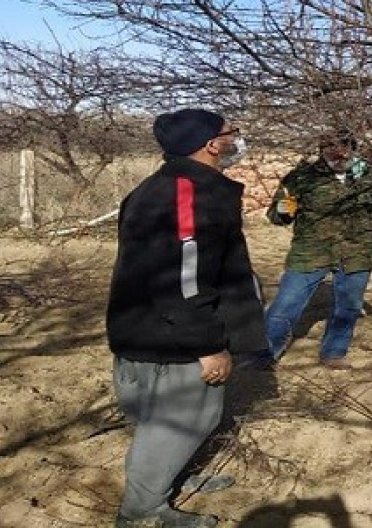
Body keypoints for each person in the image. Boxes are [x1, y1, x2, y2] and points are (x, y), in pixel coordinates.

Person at [107, 108, 267, 528]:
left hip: (143, 330)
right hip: (174, 340)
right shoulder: (187, 195)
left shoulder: (158, 187)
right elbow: (184, 280)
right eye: (233, 132)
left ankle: (162, 478)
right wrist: (209, 345)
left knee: (156, 420)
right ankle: (142, 512)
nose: (237, 139)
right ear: (213, 144)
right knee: (179, 422)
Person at [262, 132, 372, 370]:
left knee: (349, 307)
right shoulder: (301, 177)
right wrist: (284, 210)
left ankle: (334, 353)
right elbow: (276, 217)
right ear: (321, 150)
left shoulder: (366, 177)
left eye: (343, 148)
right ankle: (266, 352)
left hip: (357, 252)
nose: (337, 154)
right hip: (311, 251)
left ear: (352, 149)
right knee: (285, 303)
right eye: (330, 149)